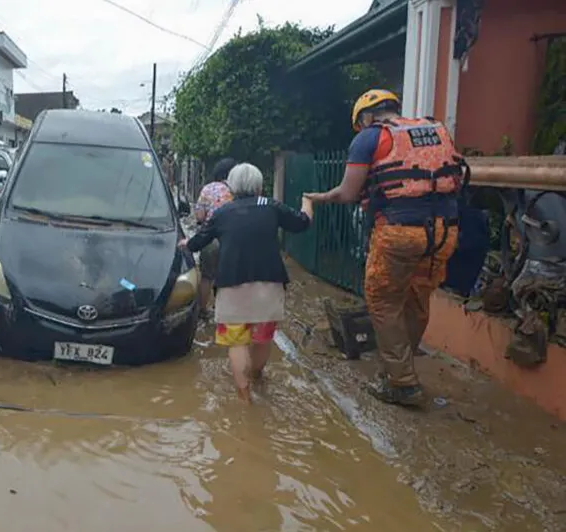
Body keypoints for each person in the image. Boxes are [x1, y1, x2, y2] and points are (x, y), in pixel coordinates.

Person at [303, 89, 468, 407]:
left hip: (399, 231)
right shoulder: (436, 129)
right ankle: (400, 368)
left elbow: (348, 193)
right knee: (417, 299)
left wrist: (318, 197)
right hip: (445, 231)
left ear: (366, 117)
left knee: (384, 302)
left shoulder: (369, 138)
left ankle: (402, 383)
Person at [181, 163, 314, 401]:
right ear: (259, 186)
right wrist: (308, 202)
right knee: (262, 337)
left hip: (231, 284)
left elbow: (198, 242)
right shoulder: (272, 207)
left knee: (236, 342)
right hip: (270, 284)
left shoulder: (223, 212)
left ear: (232, 187)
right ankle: (257, 378)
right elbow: (302, 222)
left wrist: (184, 245)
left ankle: (244, 397)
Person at [192, 158, 238, 319]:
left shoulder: (208, 189)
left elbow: (199, 216)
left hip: (209, 239)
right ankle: (222, 311)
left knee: (206, 276)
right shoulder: (238, 190)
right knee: (228, 277)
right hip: (232, 240)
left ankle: (202, 310)